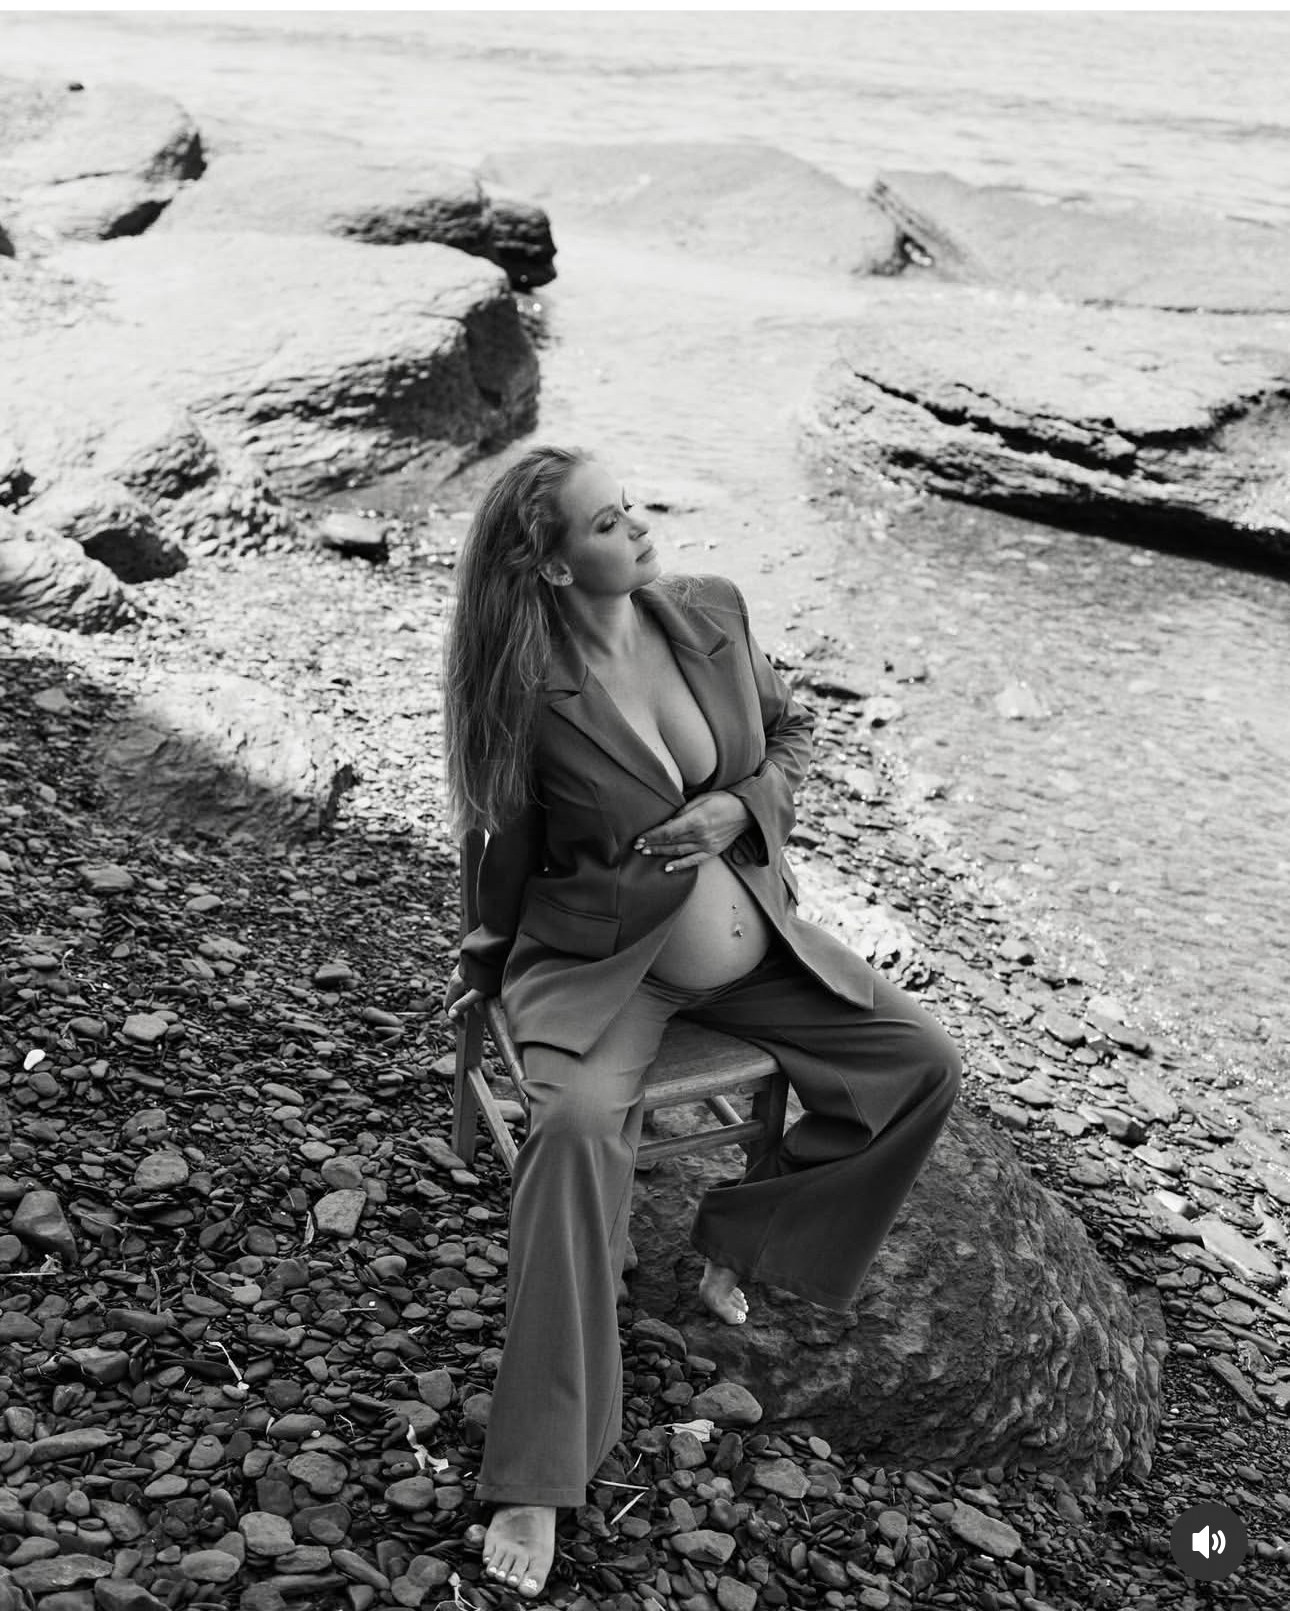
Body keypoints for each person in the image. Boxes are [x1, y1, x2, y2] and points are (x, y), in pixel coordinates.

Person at [441, 445, 961, 1600]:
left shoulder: (712, 614)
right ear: (551, 564)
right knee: (574, 1137)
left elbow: (787, 743)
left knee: (924, 1065)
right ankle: (539, 1470)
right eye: (607, 523)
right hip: (607, 969)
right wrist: (484, 967)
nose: (639, 529)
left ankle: (743, 1235)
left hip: (759, 954)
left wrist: (740, 804)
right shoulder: (527, 693)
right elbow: (502, 848)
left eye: (631, 508)